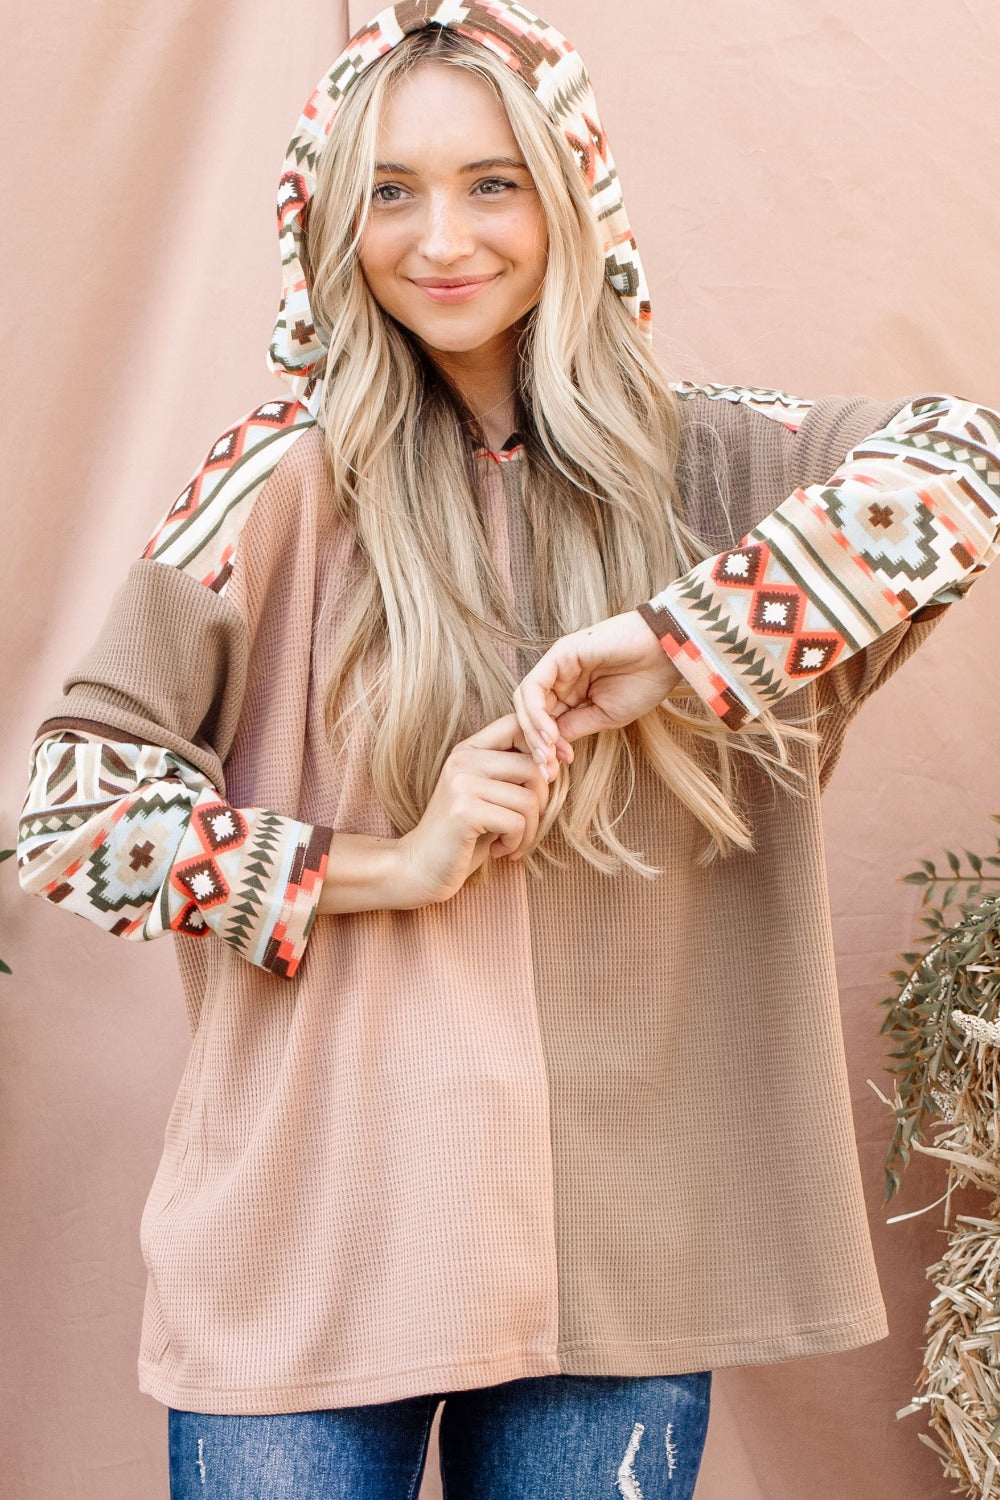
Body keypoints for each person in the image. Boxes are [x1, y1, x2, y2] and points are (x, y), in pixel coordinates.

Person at [16, 3, 1000, 1496]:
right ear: (335, 217)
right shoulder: (272, 480)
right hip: (311, 1244)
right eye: (391, 191)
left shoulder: (713, 461)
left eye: (494, 181)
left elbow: (965, 464)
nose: (441, 237)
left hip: (607, 1267)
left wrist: (676, 643)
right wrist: (378, 866)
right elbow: (70, 810)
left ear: (571, 192)